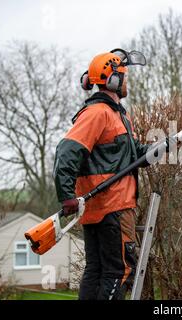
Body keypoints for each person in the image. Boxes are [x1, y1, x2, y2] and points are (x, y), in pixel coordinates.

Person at [53, 49, 151, 300]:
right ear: (113, 81)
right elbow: (66, 152)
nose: (127, 82)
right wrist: (67, 196)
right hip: (112, 207)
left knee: (96, 270)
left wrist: (160, 148)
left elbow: (133, 154)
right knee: (119, 271)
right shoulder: (99, 113)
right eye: (125, 77)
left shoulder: (118, 114)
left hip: (102, 208)